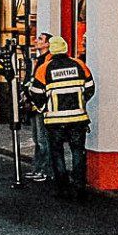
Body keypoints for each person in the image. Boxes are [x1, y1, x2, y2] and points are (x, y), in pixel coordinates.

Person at [25, 36, 94, 197]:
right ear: (65, 48)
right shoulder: (79, 65)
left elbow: (35, 93)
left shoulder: (44, 68)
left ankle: (62, 188)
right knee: (78, 151)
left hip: (55, 120)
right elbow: (90, 88)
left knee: (57, 153)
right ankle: (80, 187)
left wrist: (44, 108)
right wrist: (80, 102)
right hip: (77, 118)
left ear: (52, 49)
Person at [25, 31, 52, 182]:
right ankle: (37, 169)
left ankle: (45, 171)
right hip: (35, 104)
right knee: (37, 139)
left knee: (43, 140)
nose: (36, 41)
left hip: (42, 106)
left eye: (40, 39)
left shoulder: (48, 61)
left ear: (47, 44)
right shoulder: (38, 60)